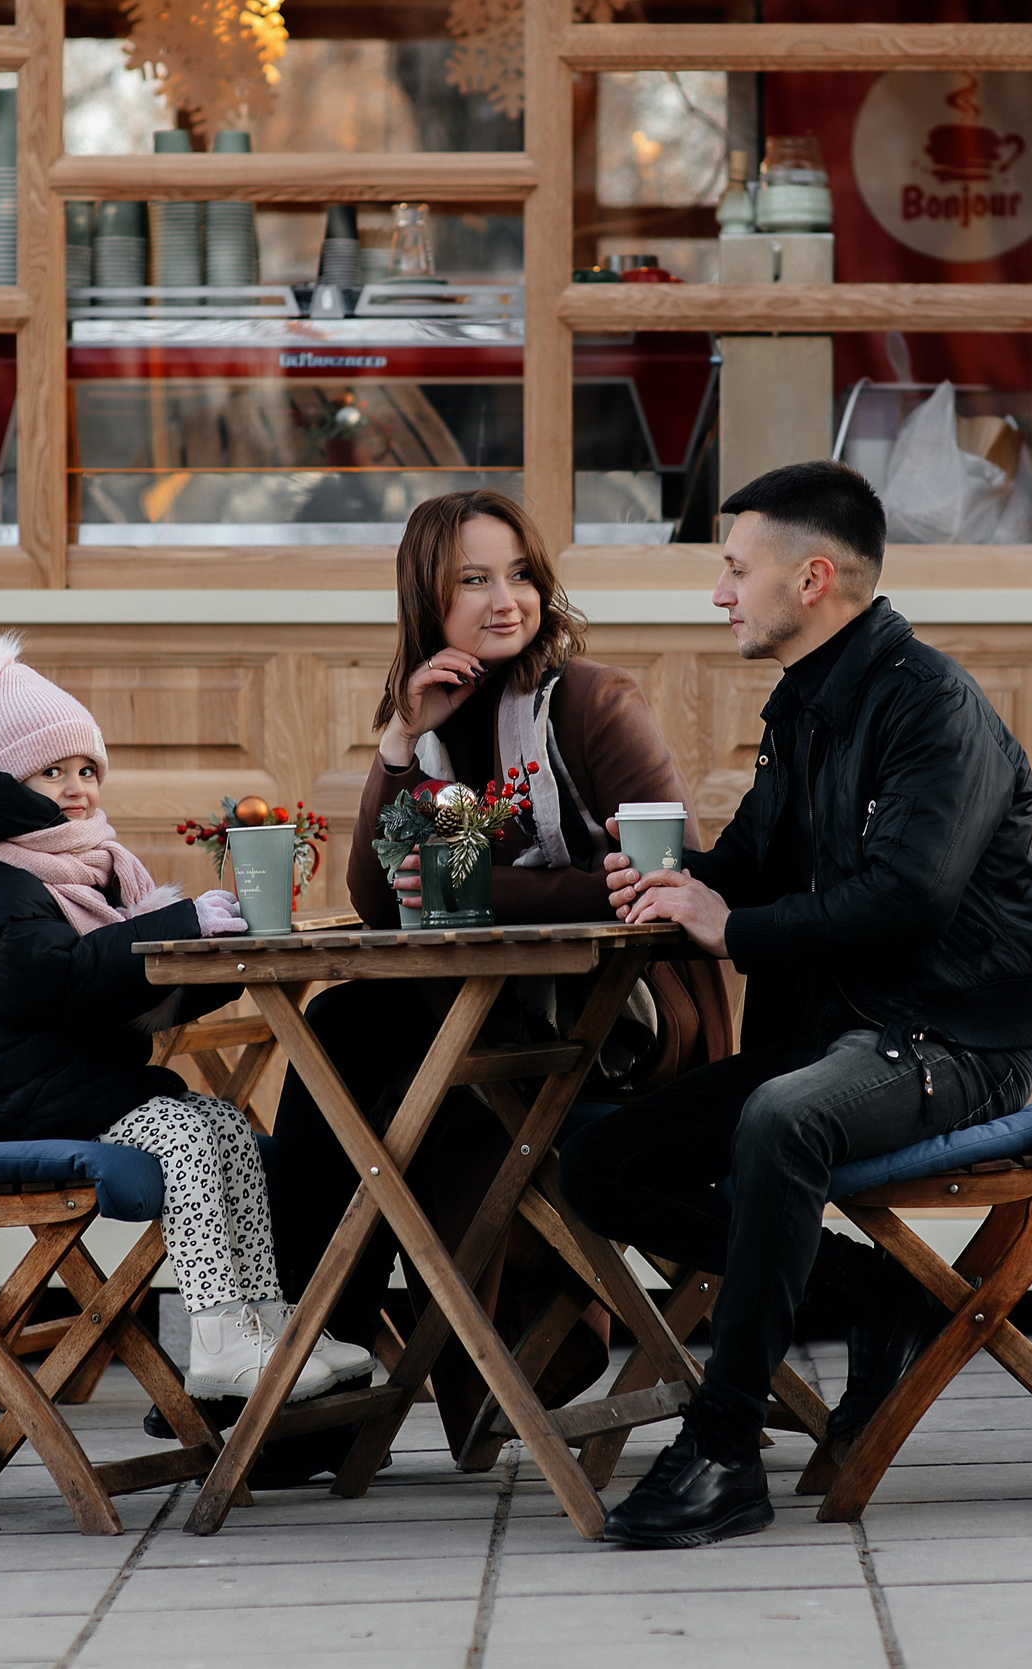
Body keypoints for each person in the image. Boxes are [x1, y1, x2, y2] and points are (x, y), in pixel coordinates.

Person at [559, 461, 1032, 1549]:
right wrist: (670, 877)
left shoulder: (932, 708)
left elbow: (907, 901)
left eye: (736, 570)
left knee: (781, 1118)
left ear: (814, 577)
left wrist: (727, 927)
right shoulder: (805, 705)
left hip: (949, 1039)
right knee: (599, 1162)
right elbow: (749, 864)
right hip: (850, 1038)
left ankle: (723, 1446)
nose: (720, 594)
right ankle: (878, 1296)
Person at [259, 489, 727, 1474]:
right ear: (426, 599)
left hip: (627, 1026)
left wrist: (489, 884)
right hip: (497, 1018)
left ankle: (319, 1384)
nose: (504, 598)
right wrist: (396, 743)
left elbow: (665, 878)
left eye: (517, 572)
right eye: (472, 579)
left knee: (365, 1053)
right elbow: (385, 905)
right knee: (342, 1033)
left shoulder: (593, 702)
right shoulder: (440, 727)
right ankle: (310, 1372)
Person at [0, 633, 375, 1405]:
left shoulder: (91, 864)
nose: (76, 785)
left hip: (63, 1078)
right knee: (187, 1136)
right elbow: (55, 985)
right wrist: (179, 926)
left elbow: (121, 988)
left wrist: (212, 958)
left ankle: (266, 1321)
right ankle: (218, 1340)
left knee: (224, 1125)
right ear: (1, 783)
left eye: (86, 768)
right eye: (50, 770)